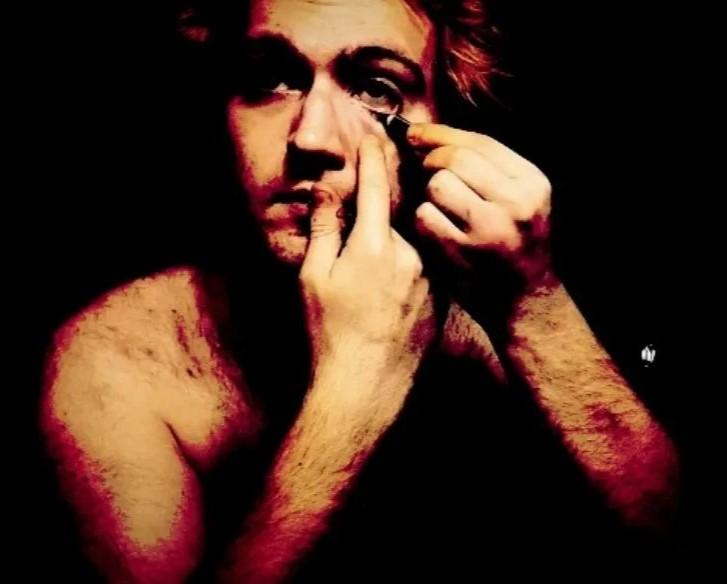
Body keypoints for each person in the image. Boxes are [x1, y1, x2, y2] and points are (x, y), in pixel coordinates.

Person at [39, 0, 680, 581]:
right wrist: (350, 392)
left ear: (445, 131)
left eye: (376, 88)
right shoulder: (118, 360)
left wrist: (533, 305)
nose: (311, 138)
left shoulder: (501, 296)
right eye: (270, 81)